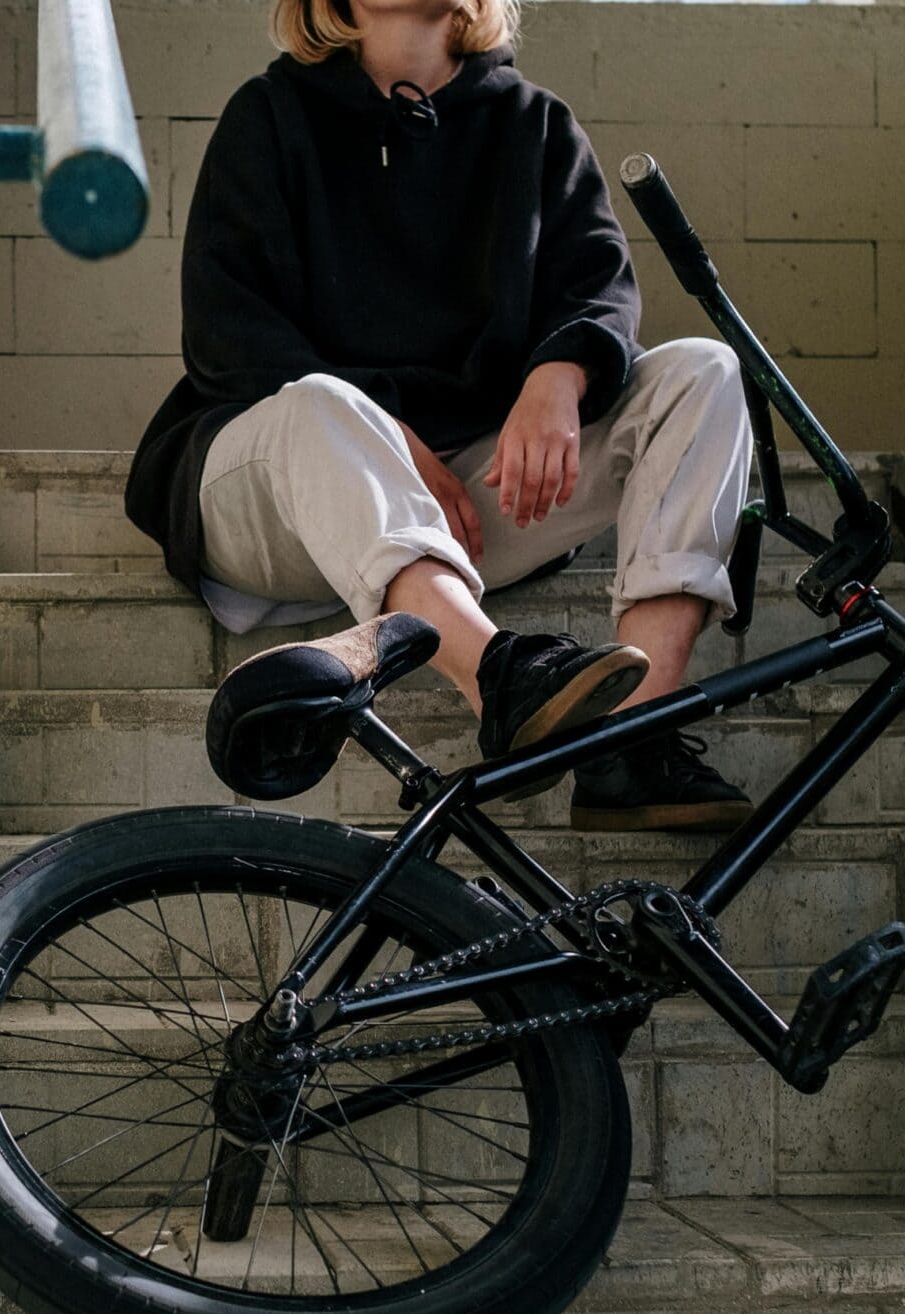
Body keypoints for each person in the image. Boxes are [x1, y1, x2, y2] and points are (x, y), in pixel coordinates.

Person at [125, 0, 755, 831]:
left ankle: (633, 736)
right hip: (273, 497)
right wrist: (390, 437)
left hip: (461, 505)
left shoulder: (533, 125)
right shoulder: (269, 116)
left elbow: (597, 288)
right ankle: (495, 675)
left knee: (705, 371)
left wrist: (559, 374)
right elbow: (225, 332)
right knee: (321, 405)